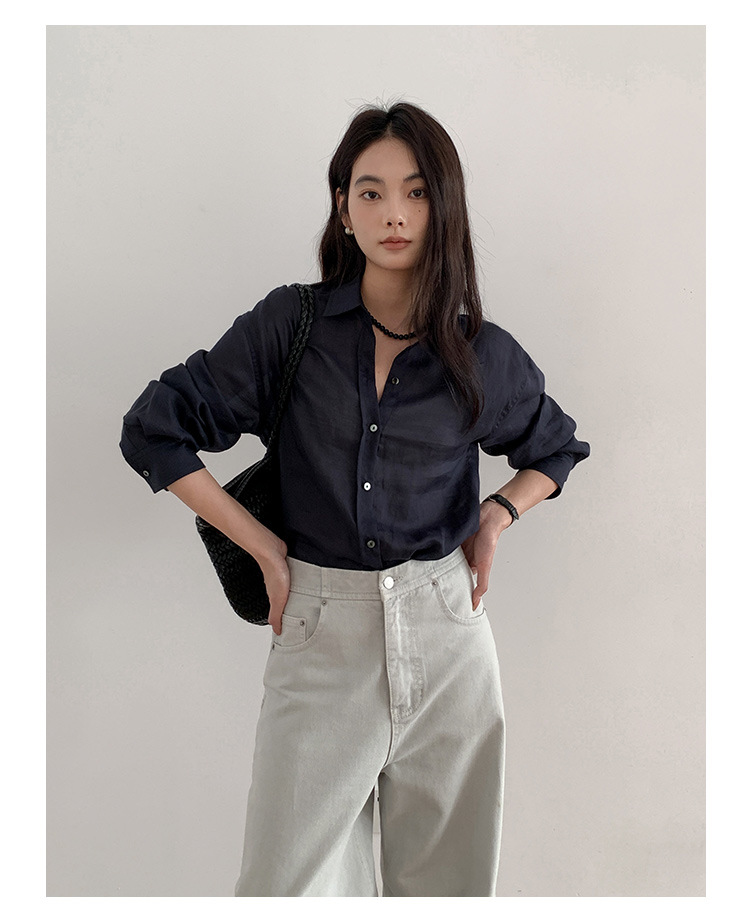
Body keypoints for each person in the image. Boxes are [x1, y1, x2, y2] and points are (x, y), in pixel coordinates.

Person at [120, 100, 590, 897]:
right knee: (286, 889)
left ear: (443, 207)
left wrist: (497, 516)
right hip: (320, 630)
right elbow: (153, 429)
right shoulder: (290, 327)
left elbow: (556, 448)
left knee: (446, 890)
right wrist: (262, 545)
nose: (393, 213)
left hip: (447, 636)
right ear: (343, 207)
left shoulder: (478, 353)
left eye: (416, 192)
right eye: (371, 192)